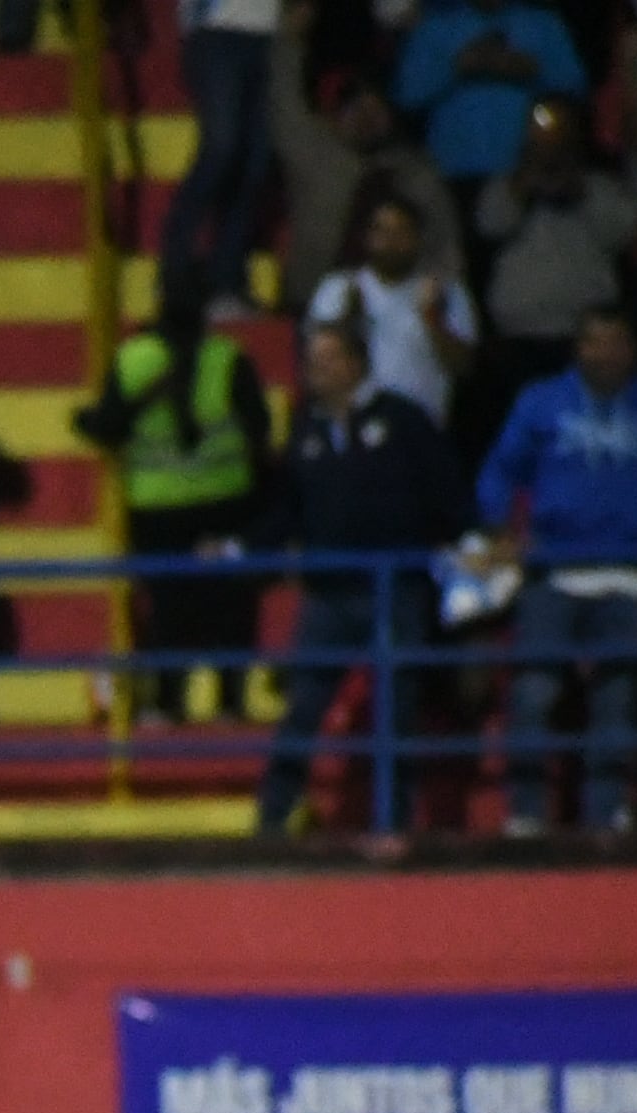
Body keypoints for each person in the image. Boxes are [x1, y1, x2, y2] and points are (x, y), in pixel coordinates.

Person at [251, 318, 467, 834]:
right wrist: (241, 544)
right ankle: (270, 821)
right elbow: (288, 508)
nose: (314, 371)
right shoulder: (305, 428)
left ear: (355, 363)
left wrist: (473, 537)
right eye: (310, 360)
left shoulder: (404, 420)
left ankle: (393, 824)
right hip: (328, 595)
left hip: (395, 591)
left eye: (326, 359)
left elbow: (448, 493)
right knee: (302, 710)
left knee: (396, 713)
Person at [477, 303, 637, 832]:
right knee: (533, 694)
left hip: (633, 575)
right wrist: (499, 531)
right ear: (577, 347)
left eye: (616, 341)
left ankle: (605, 815)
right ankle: (526, 815)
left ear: (632, 349)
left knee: (617, 702)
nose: (605, 353)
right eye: (594, 341)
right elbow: (499, 471)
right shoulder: (542, 401)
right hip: (553, 572)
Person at [74, 276, 276, 722]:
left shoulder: (133, 359)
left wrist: (82, 420)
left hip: (156, 509)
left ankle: (168, 704)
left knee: (168, 608)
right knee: (230, 607)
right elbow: (260, 429)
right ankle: (229, 703)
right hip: (226, 503)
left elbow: (107, 426)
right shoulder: (228, 358)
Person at [272, 0, 463, 317]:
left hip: (398, 311)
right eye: (353, 107)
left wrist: (443, 306)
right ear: (332, 117)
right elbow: (284, 102)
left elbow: (445, 248)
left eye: (375, 106)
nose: (365, 115)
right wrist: (289, 41)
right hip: (315, 304)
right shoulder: (313, 152)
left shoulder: (417, 171)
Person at [474, 104, 637, 430]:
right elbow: (489, 224)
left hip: (584, 340)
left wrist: (579, 191)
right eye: (540, 139)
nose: (549, 148)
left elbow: (625, 230)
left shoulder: (599, 186)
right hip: (518, 338)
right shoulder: (505, 186)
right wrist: (524, 187)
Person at [302, 188, 480, 428]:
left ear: (418, 237)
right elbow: (318, 363)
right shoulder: (339, 287)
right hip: (352, 430)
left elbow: (464, 367)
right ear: (367, 236)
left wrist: (431, 317)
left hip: (420, 431)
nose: (391, 240)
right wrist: (350, 317)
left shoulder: (446, 291)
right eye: (382, 231)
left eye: (401, 231)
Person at [167, 0, 288, 316]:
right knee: (222, 150)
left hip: (272, 35)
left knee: (255, 165)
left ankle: (227, 281)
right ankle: (174, 270)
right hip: (217, 31)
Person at [394, 0, 583, 191]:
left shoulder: (542, 23)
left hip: (526, 173)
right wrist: (454, 68)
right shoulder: (434, 26)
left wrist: (533, 71)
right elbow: (407, 95)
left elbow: (574, 87)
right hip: (450, 174)